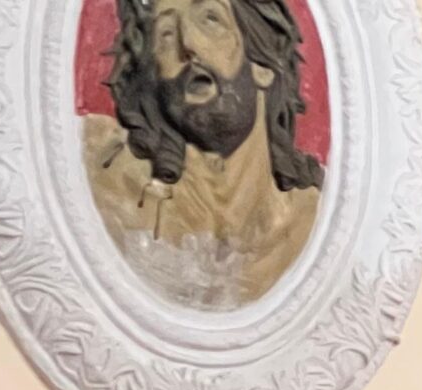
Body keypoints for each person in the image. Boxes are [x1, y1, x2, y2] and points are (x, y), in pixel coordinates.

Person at [83, 0, 324, 309]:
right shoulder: (115, 185)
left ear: (263, 66)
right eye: (166, 34)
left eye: (210, 19)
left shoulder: (308, 220)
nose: (188, 45)